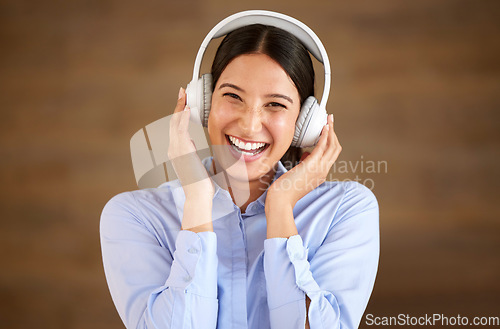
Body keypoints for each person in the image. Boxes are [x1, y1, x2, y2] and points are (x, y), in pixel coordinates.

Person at [100, 12, 379, 329]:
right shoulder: (135, 216)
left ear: (305, 123)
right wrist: (197, 200)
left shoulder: (345, 210)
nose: (249, 124)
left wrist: (281, 205)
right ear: (202, 102)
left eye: (275, 104)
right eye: (232, 96)